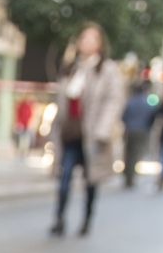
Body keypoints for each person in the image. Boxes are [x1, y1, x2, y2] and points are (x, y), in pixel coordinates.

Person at [50, 22, 124, 237]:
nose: (87, 43)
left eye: (92, 39)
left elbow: (113, 101)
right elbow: (60, 101)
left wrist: (103, 129)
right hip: (70, 133)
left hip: (93, 136)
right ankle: (59, 219)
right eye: (84, 38)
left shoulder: (108, 70)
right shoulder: (70, 68)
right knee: (64, 178)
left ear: (100, 44)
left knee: (91, 181)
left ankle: (86, 219)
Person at [120, 76, 158, 188]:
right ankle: (130, 176)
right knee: (136, 153)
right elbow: (152, 116)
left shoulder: (130, 101)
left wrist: (127, 123)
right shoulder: (147, 103)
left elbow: (123, 116)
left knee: (128, 153)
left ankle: (128, 175)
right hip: (142, 130)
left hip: (130, 129)